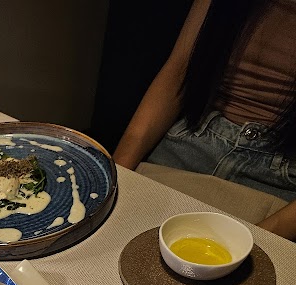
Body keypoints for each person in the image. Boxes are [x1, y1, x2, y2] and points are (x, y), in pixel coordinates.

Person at [113, 0, 296, 240]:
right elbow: (179, 70)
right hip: (195, 134)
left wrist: (256, 241)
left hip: (282, 175)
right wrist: (115, 174)